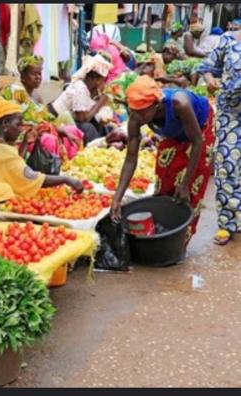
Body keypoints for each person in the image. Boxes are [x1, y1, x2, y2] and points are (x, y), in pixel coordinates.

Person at [110, 76, 215, 251]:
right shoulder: (137, 116)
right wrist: (117, 198)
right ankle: (162, 235)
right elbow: (130, 158)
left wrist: (185, 183)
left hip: (200, 129)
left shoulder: (179, 104)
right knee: (164, 179)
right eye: (134, 111)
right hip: (174, 133)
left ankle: (178, 246)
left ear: (157, 104)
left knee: (190, 192)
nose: (138, 117)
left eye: (142, 112)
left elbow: (197, 143)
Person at [198, 27, 241, 245]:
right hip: (230, 116)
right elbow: (207, 68)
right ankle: (227, 224)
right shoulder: (227, 41)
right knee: (227, 165)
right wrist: (210, 80)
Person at [51, 54, 113, 144]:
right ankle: (96, 149)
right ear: (96, 80)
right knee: (88, 128)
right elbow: (83, 119)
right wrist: (100, 102)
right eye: (104, 80)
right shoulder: (80, 88)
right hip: (58, 121)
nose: (104, 84)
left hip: (71, 120)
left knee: (104, 127)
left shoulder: (90, 90)